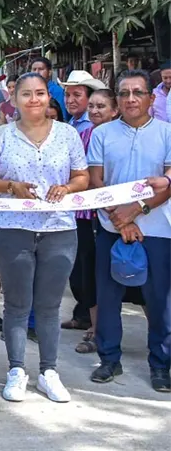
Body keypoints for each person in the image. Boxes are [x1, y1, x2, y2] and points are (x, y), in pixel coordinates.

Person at [0, 71, 89, 403]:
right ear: (14, 99)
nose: (34, 99)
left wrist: (67, 187)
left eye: (40, 93)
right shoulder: (0, 137)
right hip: (11, 228)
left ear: (48, 97)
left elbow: (82, 176)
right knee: (17, 303)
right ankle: (16, 370)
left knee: (49, 305)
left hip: (58, 229)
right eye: (26, 94)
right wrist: (9, 185)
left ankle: (49, 372)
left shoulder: (67, 135)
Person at [88, 71, 171, 392]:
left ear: (151, 98)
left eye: (138, 92)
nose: (131, 99)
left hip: (158, 229)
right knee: (108, 297)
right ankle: (109, 358)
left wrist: (136, 212)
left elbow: (167, 184)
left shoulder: (166, 133)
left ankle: (161, 364)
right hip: (111, 227)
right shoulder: (103, 134)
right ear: (117, 100)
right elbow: (97, 181)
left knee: (159, 299)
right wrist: (121, 220)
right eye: (124, 93)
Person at [72, 88, 119, 353]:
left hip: (122, 213)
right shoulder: (82, 136)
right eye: (91, 106)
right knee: (89, 273)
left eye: (101, 106)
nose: (95, 111)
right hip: (85, 215)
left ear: (115, 110)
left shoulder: (123, 138)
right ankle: (94, 328)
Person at [61, 70, 105, 140]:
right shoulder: (72, 121)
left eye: (77, 95)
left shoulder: (94, 123)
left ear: (90, 97)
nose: (70, 100)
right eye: (67, 95)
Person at [30, 56, 69, 121]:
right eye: (34, 69)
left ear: (50, 72)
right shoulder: (29, 91)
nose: (37, 72)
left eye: (41, 69)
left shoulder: (57, 91)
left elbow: (62, 118)